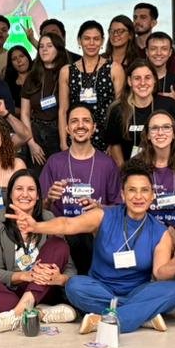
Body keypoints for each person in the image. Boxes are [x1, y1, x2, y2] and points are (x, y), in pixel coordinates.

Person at [10, 160, 175, 334]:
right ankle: (140, 315)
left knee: (172, 290)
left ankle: (107, 318)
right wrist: (36, 226)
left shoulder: (160, 232)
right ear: (123, 195)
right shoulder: (103, 216)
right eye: (132, 190)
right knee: (74, 285)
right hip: (100, 288)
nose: (138, 196)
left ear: (152, 195)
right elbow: (67, 224)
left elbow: (159, 273)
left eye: (144, 190)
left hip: (137, 292)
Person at [0, 170, 77, 333]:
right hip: (11, 292)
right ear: (10, 194)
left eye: (31, 189)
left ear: (38, 195)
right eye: (19, 189)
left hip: (44, 291)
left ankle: (16, 314)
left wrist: (59, 279)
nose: (25, 194)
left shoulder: (49, 218)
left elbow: (70, 270)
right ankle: (39, 312)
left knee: (58, 245)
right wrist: (25, 276)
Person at [39, 104, 121, 274]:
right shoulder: (55, 162)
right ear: (67, 128)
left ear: (94, 127)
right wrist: (48, 200)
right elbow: (39, 210)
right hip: (61, 236)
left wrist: (100, 208)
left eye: (86, 121)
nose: (80, 125)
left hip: (95, 236)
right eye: (74, 121)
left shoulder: (107, 164)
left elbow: (120, 209)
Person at [58, 20, 122, 154]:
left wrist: (114, 143)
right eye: (87, 38)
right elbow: (63, 110)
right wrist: (63, 142)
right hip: (76, 136)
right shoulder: (67, 71)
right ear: (79, 41)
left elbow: (120, 109)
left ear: (102, 41)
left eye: (96, 39)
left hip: (107, 138)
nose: (91, 43)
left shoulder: (114, 68)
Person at [138, 108, 175, 228]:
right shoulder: (137, 164)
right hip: (146, 231)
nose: (160, 132)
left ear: (174, 134)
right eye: (154, 128)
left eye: (166, 127)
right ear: (148, 135)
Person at [105, 60, 173, 165]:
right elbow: (115, 145)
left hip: (162, 168)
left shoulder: (168, 105)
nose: (142, 83)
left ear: (154, 79)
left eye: (147, 77)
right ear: (129, 81)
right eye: (137, 78)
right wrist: (123, 170)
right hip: (130, 169)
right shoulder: (117, 110)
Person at [21, 32, 68, 170]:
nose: (44, 49)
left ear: (58, 49)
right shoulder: (32, 77)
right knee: (36, 176)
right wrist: (31, 142)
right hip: (36, 133)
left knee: (60, 175)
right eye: (41, 46)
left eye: (49, 46)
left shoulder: (67, 73)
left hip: (60, 132)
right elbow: (24, 113)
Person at [144, 31, 175, 102]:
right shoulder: (138, 80)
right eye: (153, 49)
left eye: (164, 49)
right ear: (147, 52)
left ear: (170, 52)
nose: (158, 53)